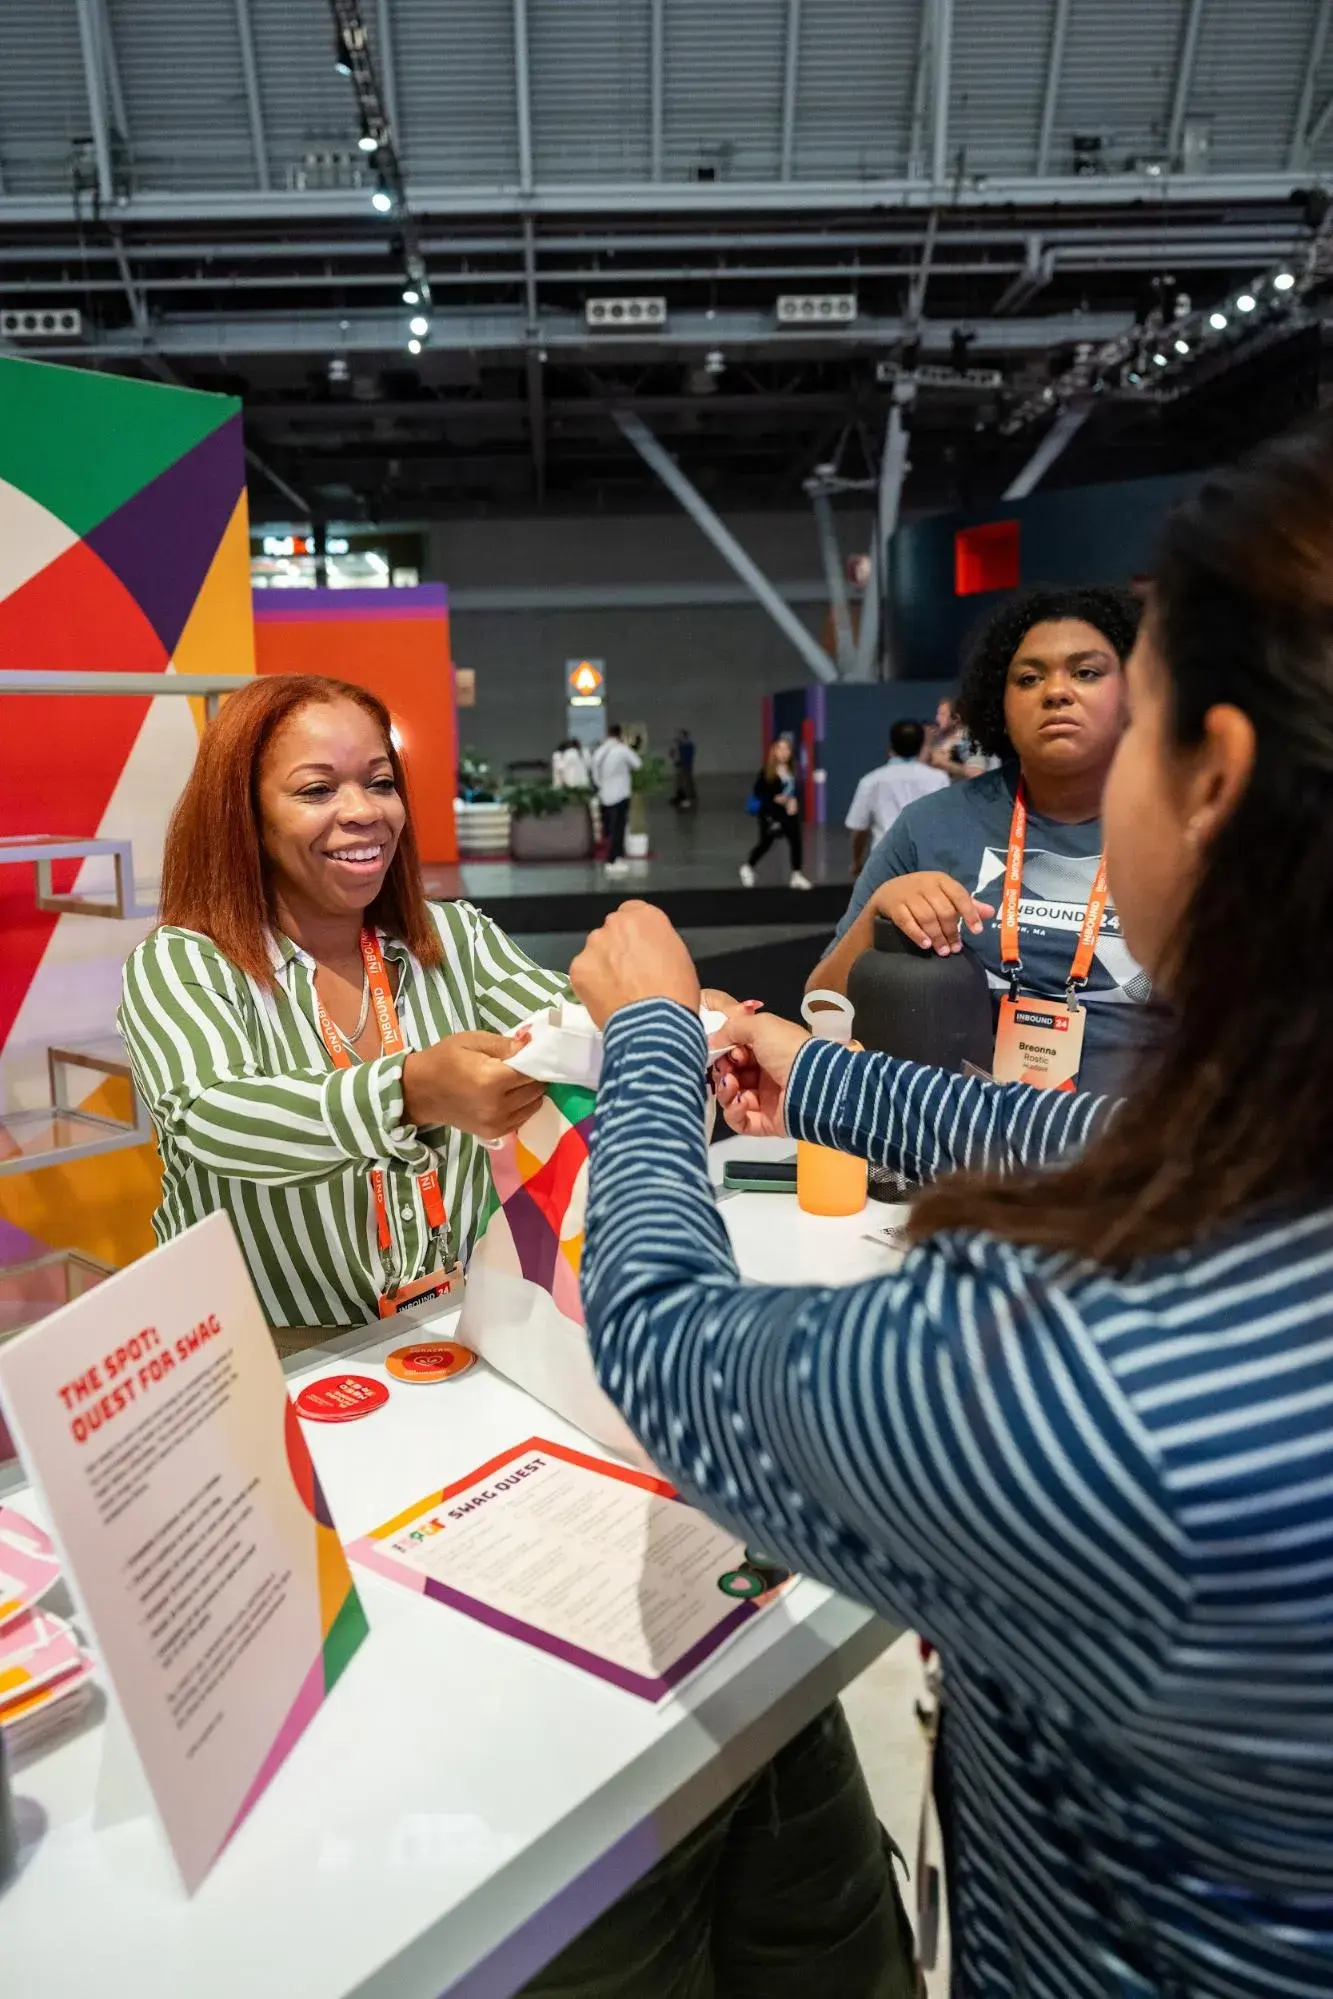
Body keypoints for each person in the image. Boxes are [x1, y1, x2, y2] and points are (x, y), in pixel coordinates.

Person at [568, 414, 1333, 1999]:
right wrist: (816, 1066)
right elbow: (1096, 1140)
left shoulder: (1097, 1382)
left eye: (1137, 712)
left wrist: (649, 1040)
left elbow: (673, 1346)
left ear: (1212, 780)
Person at [119, 675, 565, 1333]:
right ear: (244, 816)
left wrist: (688, 1016)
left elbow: (566, 1022)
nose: (363, 811)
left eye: (380, 782)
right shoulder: (183, 963)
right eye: (317, 789)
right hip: (273, 1353)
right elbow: (209, 1116)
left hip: (457, 1320)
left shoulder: (453, 938)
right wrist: (406, 1093)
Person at [811, 584, 1159, 1097]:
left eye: (1086, 672)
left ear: (1137, 689)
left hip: (1147, 1152)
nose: (1056, 691)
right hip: (968, 1147)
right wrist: (878, 914)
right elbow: (823, 1001)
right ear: (998, 699)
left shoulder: (1188, 830)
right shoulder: (931, 826)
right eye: (1028, 678)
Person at [844, 718, 949, 875]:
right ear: (921, 746)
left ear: (891, 747)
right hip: (927, 864)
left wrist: (856, 861)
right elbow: (946, 823)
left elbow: (859, 829)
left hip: (885, 865)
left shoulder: (871, 780)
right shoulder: (939, 778)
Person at [741, 737, 811, 890]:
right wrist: (775, 798)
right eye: (781, 749)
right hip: (771, 813)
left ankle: (796, 874)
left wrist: (793, 800)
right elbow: (759, 791)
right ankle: (747, 867)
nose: (784, 753)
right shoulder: (767, 770)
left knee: (796, 841)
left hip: (789, 813)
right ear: (774, 751)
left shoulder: (792, 770)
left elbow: (796, 790)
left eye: (787, 749)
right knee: (766, 843)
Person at [589, 722, 640, 876]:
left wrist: (602, 786)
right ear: (620, 735)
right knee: (619, 828)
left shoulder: (599, 751)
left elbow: (594, 773)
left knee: (608, 829)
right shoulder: (622, 750)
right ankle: (614, 859)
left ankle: (612, 857)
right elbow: (638, 764)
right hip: (621, 794)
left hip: (605, 795)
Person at [669, 726, 698, 809]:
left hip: (685, 766)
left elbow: (685, 757)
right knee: (680, 782)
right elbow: (673, 755)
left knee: (687, 781)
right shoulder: (680, 746)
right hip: (680, 765)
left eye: (680, 735)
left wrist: (677, 751)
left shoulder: (688, 745)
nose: (678, 737)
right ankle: (680, 797)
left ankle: (689, 798)